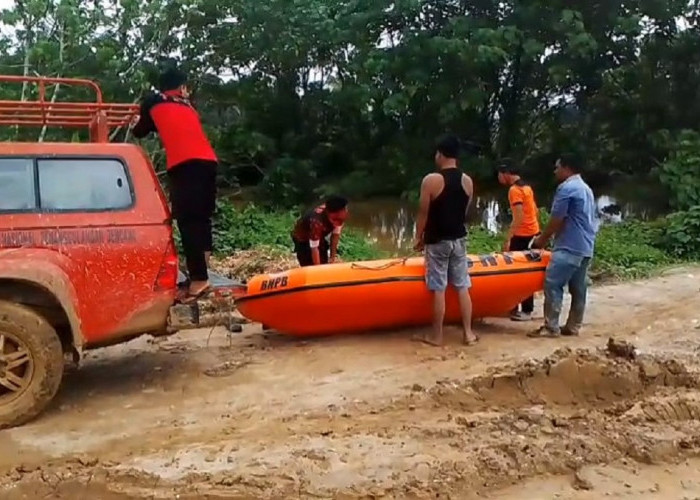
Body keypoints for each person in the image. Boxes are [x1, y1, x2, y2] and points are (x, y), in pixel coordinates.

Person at [132, 66, 218, 303]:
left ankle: (199, 280)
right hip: (208, 162)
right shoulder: (189, 107)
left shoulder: (152, 101)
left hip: (185, 163)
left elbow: (140, 131)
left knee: (188, 222)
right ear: (181, 88)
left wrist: (135, 122)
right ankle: (203, 271)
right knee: (202, 219)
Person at [413, 134, 477, 346]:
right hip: (459, 239)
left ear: (440, 154)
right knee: (462, 286)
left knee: (438, 288)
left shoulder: (431, 180)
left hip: (437, 241)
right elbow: (464, 211)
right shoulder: (467, 181)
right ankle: (468, 333)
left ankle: (437, 336)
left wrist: (418, 238)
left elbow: (423, 213)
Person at [530, 154, 599, 337]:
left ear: (566, 168)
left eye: (557, 167)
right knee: (578, 288)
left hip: (569, 245)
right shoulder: (585, 189)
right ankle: (573, 325)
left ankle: (551, 326)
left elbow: (556, 219)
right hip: (585, 245)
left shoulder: (567, 188)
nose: (555, 170)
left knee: (553, 283)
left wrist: (541, 240)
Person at [497, 160, 541, 321]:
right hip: (533, 232)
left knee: (518, 273)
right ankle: (519, 307)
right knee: (527, 270)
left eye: (499, 175)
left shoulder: (514, 190)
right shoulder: (527, 188)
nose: (499, 178)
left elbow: (519, 216)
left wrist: (509, 238)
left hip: (522, 235)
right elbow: (535, 211)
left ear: (506, 173)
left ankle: (523, 308)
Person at [291, 196, 349, 266]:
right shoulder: (316, 221)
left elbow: (335, 236)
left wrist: (332, 258)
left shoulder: (340, 215)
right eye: (335, 219)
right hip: (303, 239)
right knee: (309, 264)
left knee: (324, 261)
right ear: (329, 213)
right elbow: (314, 248)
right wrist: (318, 269)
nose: (337, 223)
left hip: (320, 237)